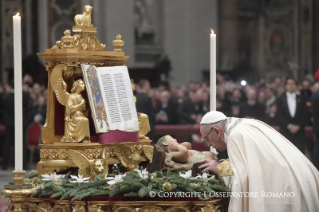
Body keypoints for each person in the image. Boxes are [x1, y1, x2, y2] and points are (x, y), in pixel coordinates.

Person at [198, 111, 319, 212]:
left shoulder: (235, 136)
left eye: (207, 138)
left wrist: (218, 169)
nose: (208, 144)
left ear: (217, 131)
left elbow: (243, 180)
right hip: (300, 177)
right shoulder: (245, 124)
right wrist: (227, 164)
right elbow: (256, 161)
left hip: (285, 188)